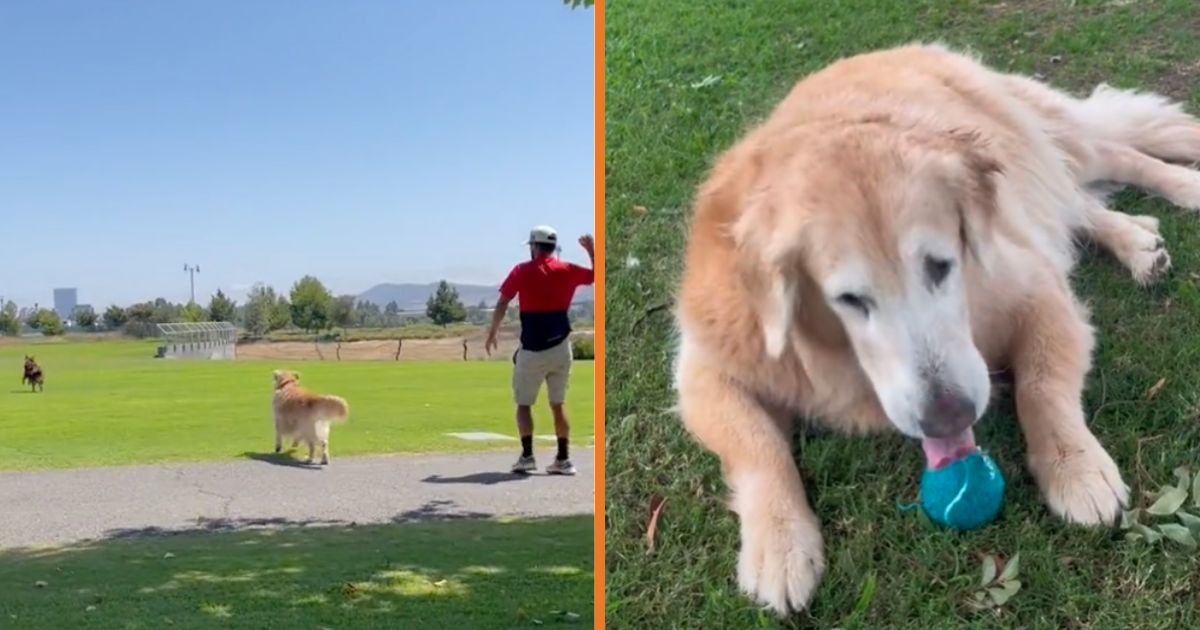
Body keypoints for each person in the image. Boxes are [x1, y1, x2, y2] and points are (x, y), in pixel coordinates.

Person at [486, 225, 594, 475]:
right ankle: (564, 459)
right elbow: (597, 274)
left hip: (532, 350)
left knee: (524, 405)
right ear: (553, 247)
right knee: (558, 404)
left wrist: (493, 332)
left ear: (534, 247)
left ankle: (527, 456)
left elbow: (503, 302)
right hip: (561, 347)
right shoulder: (566, 269)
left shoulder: (522, 271)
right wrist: (592, 251)